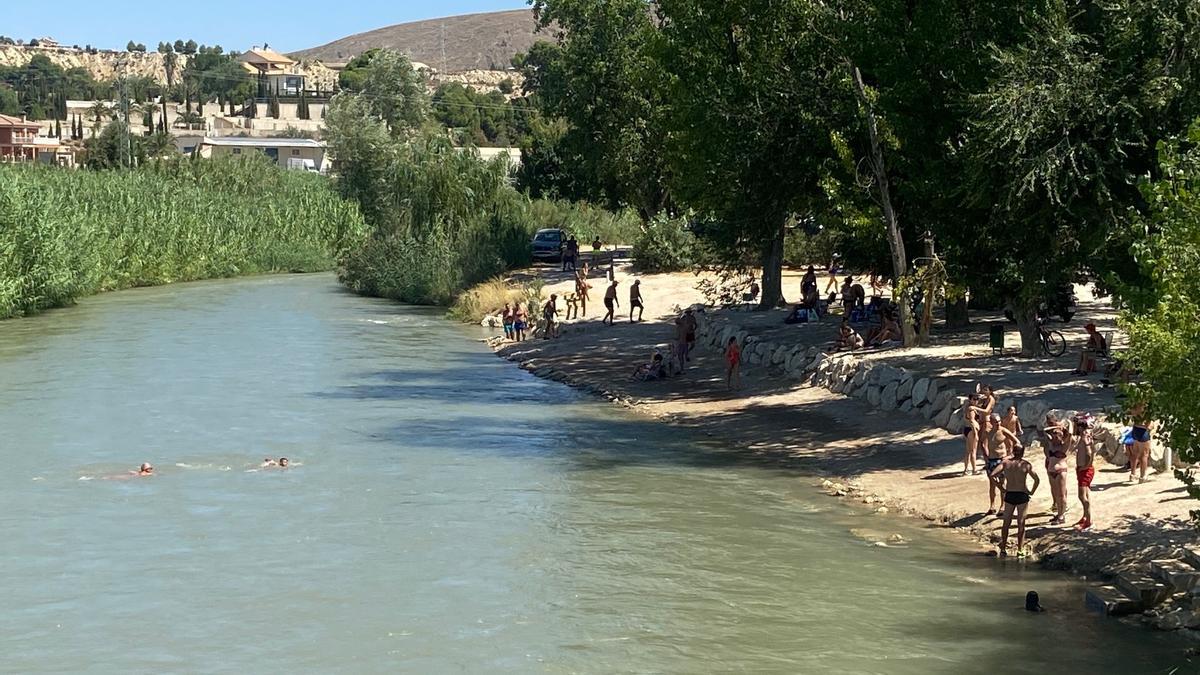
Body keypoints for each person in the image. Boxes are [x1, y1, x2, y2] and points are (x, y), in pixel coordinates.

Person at [991, 443, 1039, 558]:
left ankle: (1003, 548)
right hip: (1022, 494)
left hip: (1010, 494)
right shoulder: (1026, 464)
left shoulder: (1006, 463)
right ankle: (1020, 549)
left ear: (1013, 451)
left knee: (1006, 523)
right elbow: (1037, 479)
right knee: (1021, 523)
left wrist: (1001, 488)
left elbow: (992, 475)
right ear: (1022, 452)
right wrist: (1031, 491)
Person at [983, 414, 1022, 515]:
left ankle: (1003, 506)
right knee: (992, 484)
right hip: (992, 460)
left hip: (1002, 459)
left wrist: (1011, 455)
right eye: (996, 422)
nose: (998, 423)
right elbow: (983, 444)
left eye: (999, 421)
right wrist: (986, 456)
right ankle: (992, 506)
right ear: (991, 422)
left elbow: (1016, 441)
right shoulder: (988, 432)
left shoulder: (1003, 430)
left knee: (1002, 483)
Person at [1042, 415, 1070, 525]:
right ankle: (1058, 513)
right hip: (1051, 470)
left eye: (1058, 435)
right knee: (1055, 493)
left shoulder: (1064, 446)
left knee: (1061, 494)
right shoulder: (1051, 444)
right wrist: (1052, 429)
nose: (1055, 436)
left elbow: (1070, 434)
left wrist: (1064, 426)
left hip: (1060, 471)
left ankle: (1062, 515)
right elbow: (1044, 431)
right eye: (1054, 435)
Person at [1071, 413, 1096, 530]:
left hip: (1084, 470)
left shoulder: (1085, 438)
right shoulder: (1086, 436)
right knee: (1085, 495)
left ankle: (1089, 521)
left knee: (1082, 496)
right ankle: (1086, 516)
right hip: (1082, 469)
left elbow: (1090, 453)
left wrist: (1086, 466)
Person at [1129, 401, 1153, 484]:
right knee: (1144, 455)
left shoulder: (1135, 404)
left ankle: (1132, 474)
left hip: (1135, 429)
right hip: (1143, 430)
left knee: (1135, 453)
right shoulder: (1147, 406)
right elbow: (1148, 424)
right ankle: (1142, 476)